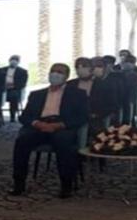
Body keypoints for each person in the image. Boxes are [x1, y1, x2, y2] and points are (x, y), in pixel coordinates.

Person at [12, 63, 89, 198]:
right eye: (53, 71)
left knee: (64, 144)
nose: (55, 74)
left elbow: (82, 117)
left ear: (66, 76)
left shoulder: (77, 94)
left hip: (61, 127)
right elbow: (24, 116)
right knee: (21, 142)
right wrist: (37, 123)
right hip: (40, 126)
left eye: (60, 72)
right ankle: (19, 183)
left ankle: (66, 186)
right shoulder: (37, 94)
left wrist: (60, 125)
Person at [68, 56, 118, 133]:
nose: (80, 69)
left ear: (91, 68)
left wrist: (97, 114)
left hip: (93, 117)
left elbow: (111, 105)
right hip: (72, 117)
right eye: (77, 67)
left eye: (84, 66)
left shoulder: (103, 85)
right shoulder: (70, 84)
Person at [3, 55, 29, 122]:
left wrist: (13, 86)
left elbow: (23, 83)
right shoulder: (2, 70)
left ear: (18, 62)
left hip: (14, 89)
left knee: (14, 97)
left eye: (16, 60)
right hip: (2, 89)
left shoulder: (23, 71)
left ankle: (12, 116)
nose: (13, 61)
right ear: (9, 61)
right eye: (12, 59)